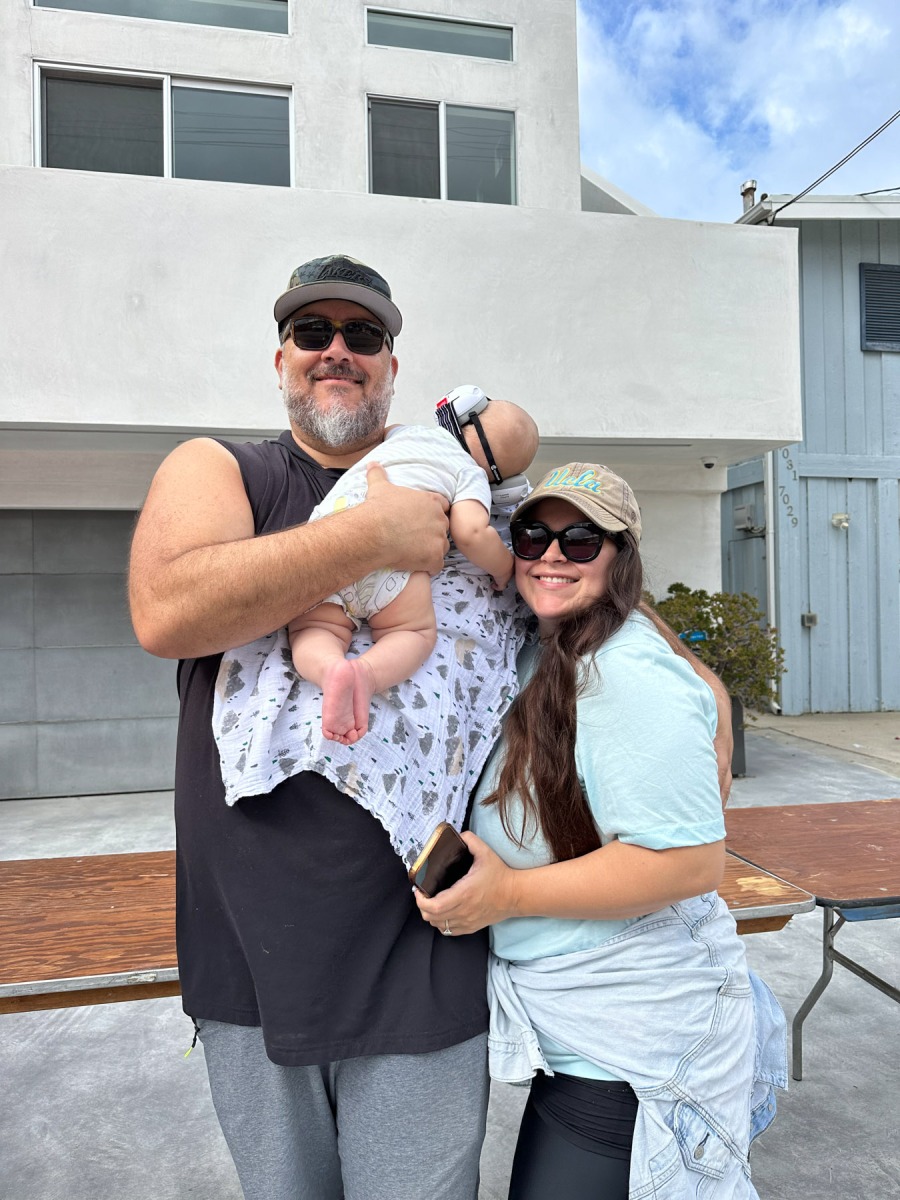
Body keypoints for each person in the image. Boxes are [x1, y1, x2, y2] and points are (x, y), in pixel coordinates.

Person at [129, 254, 735, 1200]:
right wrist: (375, 534)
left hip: (425, 959)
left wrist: (705, 697)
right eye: (312, 332)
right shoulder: (228, 470)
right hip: (250, 963)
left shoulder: (462, 487)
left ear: (393, 366)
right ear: (281, 358)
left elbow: (589, 590)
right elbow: (166, 610)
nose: (337, 350)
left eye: (363, 334)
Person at [415, 463, 786, 1200]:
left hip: (636, 1039)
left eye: (582, 540)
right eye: (534, 535)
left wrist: (507, 895)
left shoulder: (625, 673)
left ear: (620, 557)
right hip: (590, 1029)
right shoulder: (549, 640)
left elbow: (687, 863)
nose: (552, 555)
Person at [286, 395, 538, 744]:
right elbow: (471, 533)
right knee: (411, 633)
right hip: (397, 568)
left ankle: (330, 668)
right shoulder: (470, 474)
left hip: (336, 538)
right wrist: (504, 567)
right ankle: (365, 674)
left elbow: (387, 433)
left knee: (313, 627)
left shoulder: (408, 434)